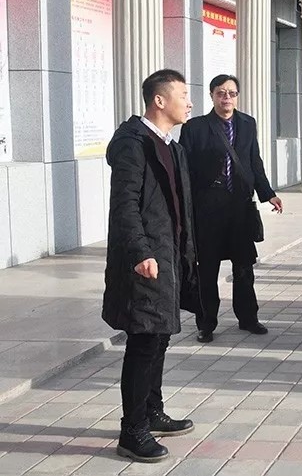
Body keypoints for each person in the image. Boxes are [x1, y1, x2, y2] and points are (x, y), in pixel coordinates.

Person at [102, 69, 199, 462]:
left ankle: (152, 412)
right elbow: (124, 204)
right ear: (159, 100)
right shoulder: (134, 144)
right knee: (143, 341)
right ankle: (132, 431)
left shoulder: (170, 145)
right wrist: (141, 252)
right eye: (183, 95)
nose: (189, 102)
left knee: (159, 336)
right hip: (146, 259)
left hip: (168, 255)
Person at [179, 75, 282, 344]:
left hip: (239, 207)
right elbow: (185, 170)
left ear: (237, 96)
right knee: (207, 269)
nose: (227, 98)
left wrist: (268, 193)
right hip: (208, 208)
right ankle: (206, 323)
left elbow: (254, 161)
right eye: (221, 93)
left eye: (232, 93)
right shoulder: (195, 128)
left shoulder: (247, 124)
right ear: (212, 95)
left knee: (244, 268)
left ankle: (248, 318)